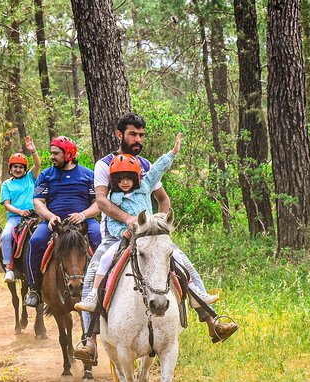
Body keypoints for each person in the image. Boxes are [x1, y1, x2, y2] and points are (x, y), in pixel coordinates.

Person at [73, 113, 238, 363]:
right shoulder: (104, 164)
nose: (138, 139)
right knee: (93, 274)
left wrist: (159, 225)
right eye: (133, 134)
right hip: (115, 237)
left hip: (149, 237)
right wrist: (129, 220)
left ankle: (212, 321)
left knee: (185, 264)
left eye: (141, 135)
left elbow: (163, 199)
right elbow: (102, 202)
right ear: (120, 135)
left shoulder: (147, 166)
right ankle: (89, 341)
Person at [76, 133, 219, 311]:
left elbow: (158, 169)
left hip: (150, 237)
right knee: (104, 260)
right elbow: (112, 222)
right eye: (120, 179)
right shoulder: (114, 198)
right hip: (126, 240)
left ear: (136, 177)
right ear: (114, 180)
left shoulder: (145, 186)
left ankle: (196, 294)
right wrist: (123, 231)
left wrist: (172, 153)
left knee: (179, 259)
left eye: (128, 177)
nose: (125, 182)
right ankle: (94, 295)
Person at [23, 136, 101, 307]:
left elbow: (99, 203)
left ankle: (102, 288)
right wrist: (50, 216)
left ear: (69, 154)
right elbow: (37, 202)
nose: (52, 157)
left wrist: (83, 214)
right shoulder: (45, 175)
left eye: (56, 153)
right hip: (54, 223)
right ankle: (34, 288)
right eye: (52, 153)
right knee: (35, 242)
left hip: (83, 223)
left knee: (99, 238)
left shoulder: (89, 175)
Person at [0, 136, 41, 283]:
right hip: (15, 217)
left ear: (25, 169)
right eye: (15, 167)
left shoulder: (30, 177)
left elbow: (37, 165)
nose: (18, 169)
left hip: (34, 215)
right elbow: (6, 204)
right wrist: (19, 212)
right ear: (10, 168)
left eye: (21, 167)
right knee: (5, 236)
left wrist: (33, 151)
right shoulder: (6, 184)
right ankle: (9, 268)